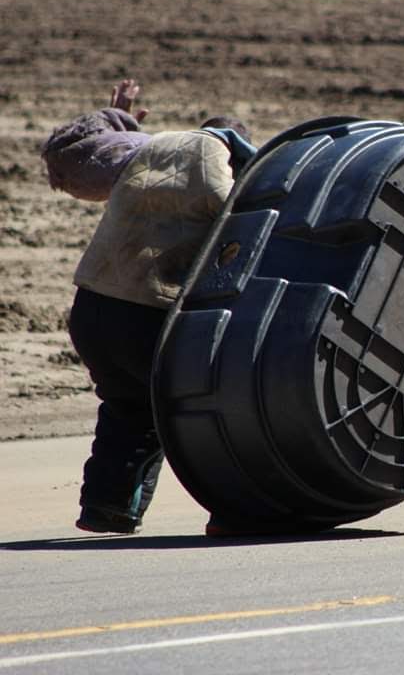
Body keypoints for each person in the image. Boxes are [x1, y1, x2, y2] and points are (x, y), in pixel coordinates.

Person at [42, 79, 255, 533]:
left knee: (127, 404)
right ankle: (238, 508)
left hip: (92, 307)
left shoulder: (148, 149)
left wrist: (114, 118)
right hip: (148, 314)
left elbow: (77, 154)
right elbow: (245, 225)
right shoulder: (224, 164)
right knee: (200, 410)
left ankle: (107, 505)